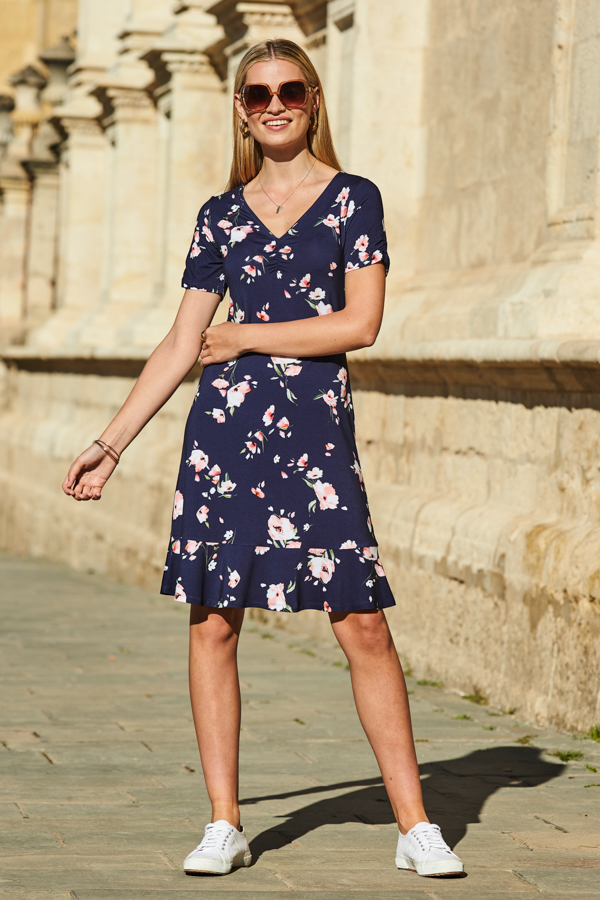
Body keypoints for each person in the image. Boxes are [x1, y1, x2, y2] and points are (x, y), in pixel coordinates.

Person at [62, 38, 463, 880]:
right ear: (240, 112)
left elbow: (360, 324)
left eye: (289, 90)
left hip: (316, 436)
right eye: (256, 94)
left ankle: (416, 824)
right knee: (213, 622)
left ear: (313, 100)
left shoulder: (354, 199)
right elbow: (182, 341)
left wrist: (246, 334)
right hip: (225, 437)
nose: (274, 104)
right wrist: (110, 443)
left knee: (361, 621)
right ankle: (224, 824)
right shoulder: (220, 214)